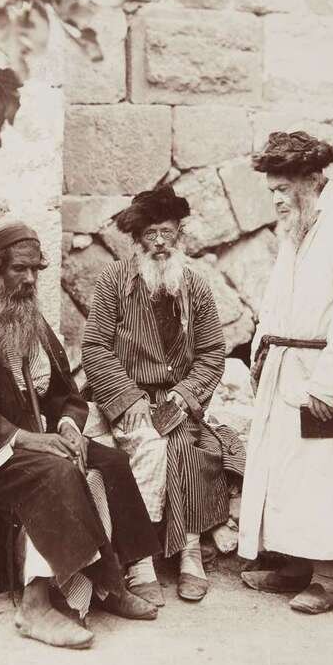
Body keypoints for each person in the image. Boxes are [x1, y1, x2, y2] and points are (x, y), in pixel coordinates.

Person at [0, 221, 161, 649]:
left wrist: (68, 427)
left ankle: (109, 583)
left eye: (36, 269)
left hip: (30, 443)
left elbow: (65, 393)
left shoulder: (29, 317)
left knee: (110, 461)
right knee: (54, 472)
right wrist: (33, 440)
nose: (31, 279)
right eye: (20, 269)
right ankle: (34, 605)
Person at [238, 131, 333, 614]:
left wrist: (327, 385)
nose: (276, 199)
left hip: (327, 372)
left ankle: (330, 578)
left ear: (312, 179)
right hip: (286, 367)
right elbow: (276, 301)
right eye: (272, 190)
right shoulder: (297, 229)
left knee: (328, 476)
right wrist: (261, 353)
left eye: (283, 189)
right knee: (289, 472)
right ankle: (296, 564)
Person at [82, 186, 242, 606]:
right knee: (149, 447)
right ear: (137, 240)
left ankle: (190, 554)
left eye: (167, 232)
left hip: (178, 403)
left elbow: (212, 352)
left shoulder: (195, 286)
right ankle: (140, 561)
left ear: (179, 236)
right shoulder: (114, 281)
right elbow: (95, 346)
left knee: (187, 448)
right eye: (150, 233)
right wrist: (128, 396)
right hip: (128, 400)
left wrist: (186, 395)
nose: (159, 242)